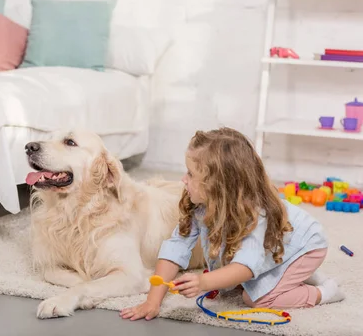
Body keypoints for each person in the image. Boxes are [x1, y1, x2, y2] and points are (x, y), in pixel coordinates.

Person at [120, 127, 344, 321]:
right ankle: (290, 273)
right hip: (279, 247)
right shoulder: (198, 204)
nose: (183, 179)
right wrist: (153, 301)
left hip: (305, 245)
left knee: (257, 298)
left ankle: (323, 292)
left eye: (190, 173)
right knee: (233, 281)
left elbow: (245, 267)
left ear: (217, 186)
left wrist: (203, 281)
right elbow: (175, 247)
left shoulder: (256, 217)